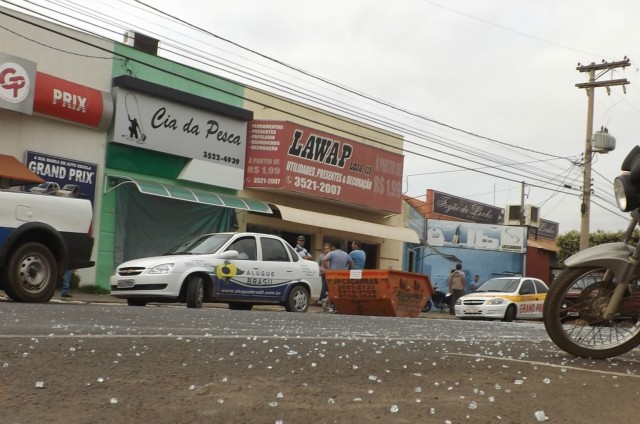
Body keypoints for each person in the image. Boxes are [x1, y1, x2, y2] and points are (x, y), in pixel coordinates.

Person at [322, 241, 355, 313]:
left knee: (331, 290)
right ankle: (334, 305)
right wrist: (350, 270)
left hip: (332, 275)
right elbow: (352, 263)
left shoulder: (331, 253)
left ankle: (328, 305)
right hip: (342, 276)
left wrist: (327, 270)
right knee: (338, 291)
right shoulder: (346, 254)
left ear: (333, 247)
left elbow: (324, 260)